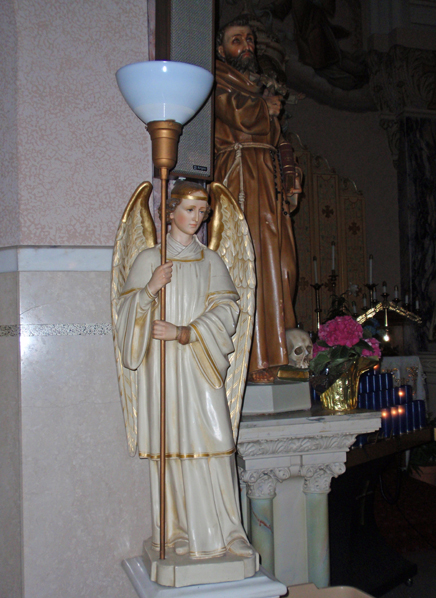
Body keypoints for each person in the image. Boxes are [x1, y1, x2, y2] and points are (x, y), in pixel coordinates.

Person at [114, 180, 255, 563]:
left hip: (198, 363)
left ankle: (229, 531)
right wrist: (149, 290)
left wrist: (185, 332)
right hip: (160, 369)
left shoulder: (211, 261)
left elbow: (229, 310)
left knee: (216, 442)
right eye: (190, 210)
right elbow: (124, 318)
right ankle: (175, 532)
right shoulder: (149, 261)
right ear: (170, 211)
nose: (198, 218)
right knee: (171, 446)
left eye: (203, 211)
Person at [215, 16, 302, 383]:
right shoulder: (217, 79)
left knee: (282, 267)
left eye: (249, 39)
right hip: (241, 177)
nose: (246, 46)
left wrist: (288, 174)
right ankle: (250, 362)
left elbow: (275, 136)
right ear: (221, 50)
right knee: (249, 264)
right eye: (237, 40)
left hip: (267, 182)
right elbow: (242, 118)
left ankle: (278, 353)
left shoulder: (257, 86)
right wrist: (263, 108)